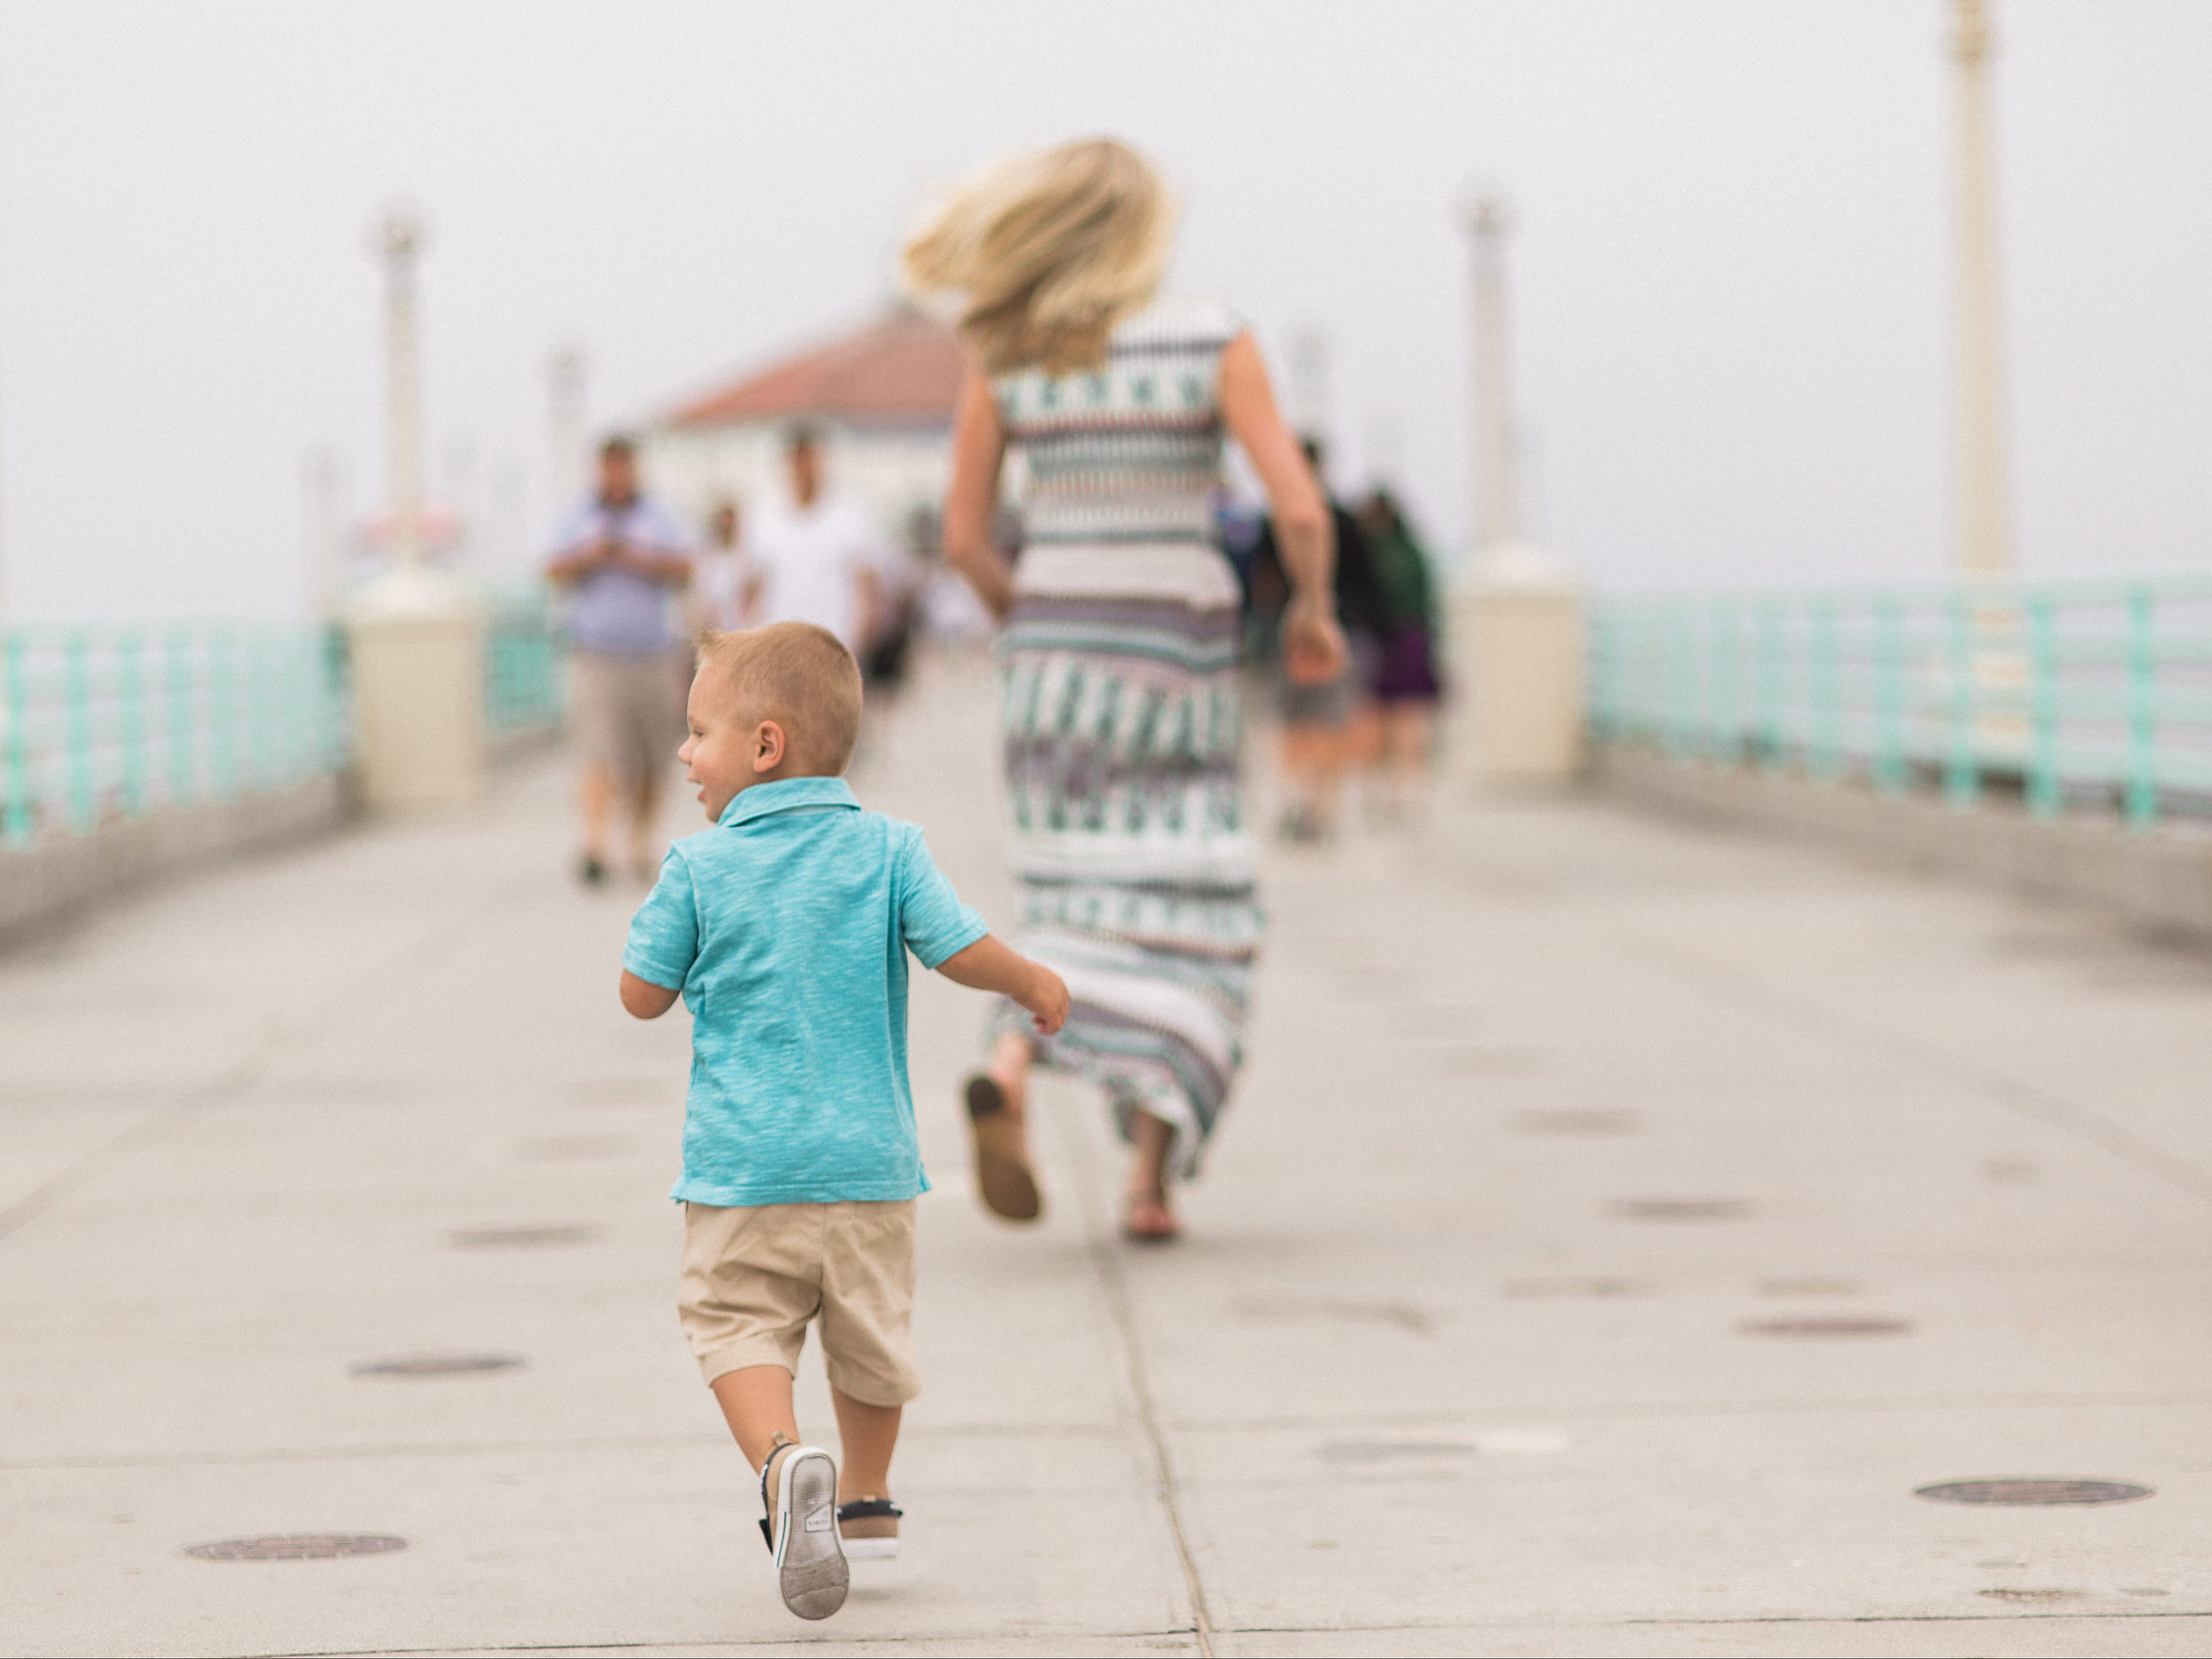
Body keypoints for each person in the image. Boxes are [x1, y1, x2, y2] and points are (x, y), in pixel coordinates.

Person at [906, 136, 1346, 1241]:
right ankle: (1150, 1183)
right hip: (1176, 664)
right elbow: (1296, 505)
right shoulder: (1212, 336)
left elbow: (963, 538)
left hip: (1054, 664)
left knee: (1071, 901)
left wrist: (1039, 620)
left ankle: (1011, 1059)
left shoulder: (1008, 351)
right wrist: (1312, 609)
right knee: (1199, 912)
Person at [619, 621, 1069, 1621]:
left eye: (699, 733)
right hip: (869, 1163)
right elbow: (960, 949)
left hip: (743, 1167)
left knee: (737, 1323)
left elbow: (639, 994)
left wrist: (670, 941)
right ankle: (865, 1498)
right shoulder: (890, 847)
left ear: (765, 745)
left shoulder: (698, 865)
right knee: (869, 1337)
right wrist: (1032, 978)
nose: (686, 753)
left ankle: (785, 1466)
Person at [543, 436, 696, 885]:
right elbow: (553, 571)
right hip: (595, 654)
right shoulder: (579, 518)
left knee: (652, 757)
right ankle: (596, 845)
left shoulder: (659, 517)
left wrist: (633, 557)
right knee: (598, 751)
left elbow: (685, 569)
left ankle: (640, 842)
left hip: (650, 655)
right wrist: (594, 555)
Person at [1247, 437, 1385, 843]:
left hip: (1286, 631)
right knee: (1329, 722)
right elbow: (1371, 583)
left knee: (1293, 722)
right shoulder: (1345, 520)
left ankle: (1294, 801)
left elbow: (1261, 581)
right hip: (1340, 627)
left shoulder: (1273, 521)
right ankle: (1322, 806)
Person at [744, 428, 890, 660]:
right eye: (798, 459)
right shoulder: (763, 516)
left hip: (837, 646)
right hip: (778, 648)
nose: (804, 467)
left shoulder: (851, 513)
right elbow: (753, 584)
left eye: (809, 458)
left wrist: (864, 633)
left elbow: (868, 581)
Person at [1356, 486, 1445, 822]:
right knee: (1406, 720)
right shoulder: (1411, 550)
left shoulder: (1376, 551)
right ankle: (1407, 794)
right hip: (1412, 638)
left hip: (1389, 638)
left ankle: (1385, 793)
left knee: (1381, 719)